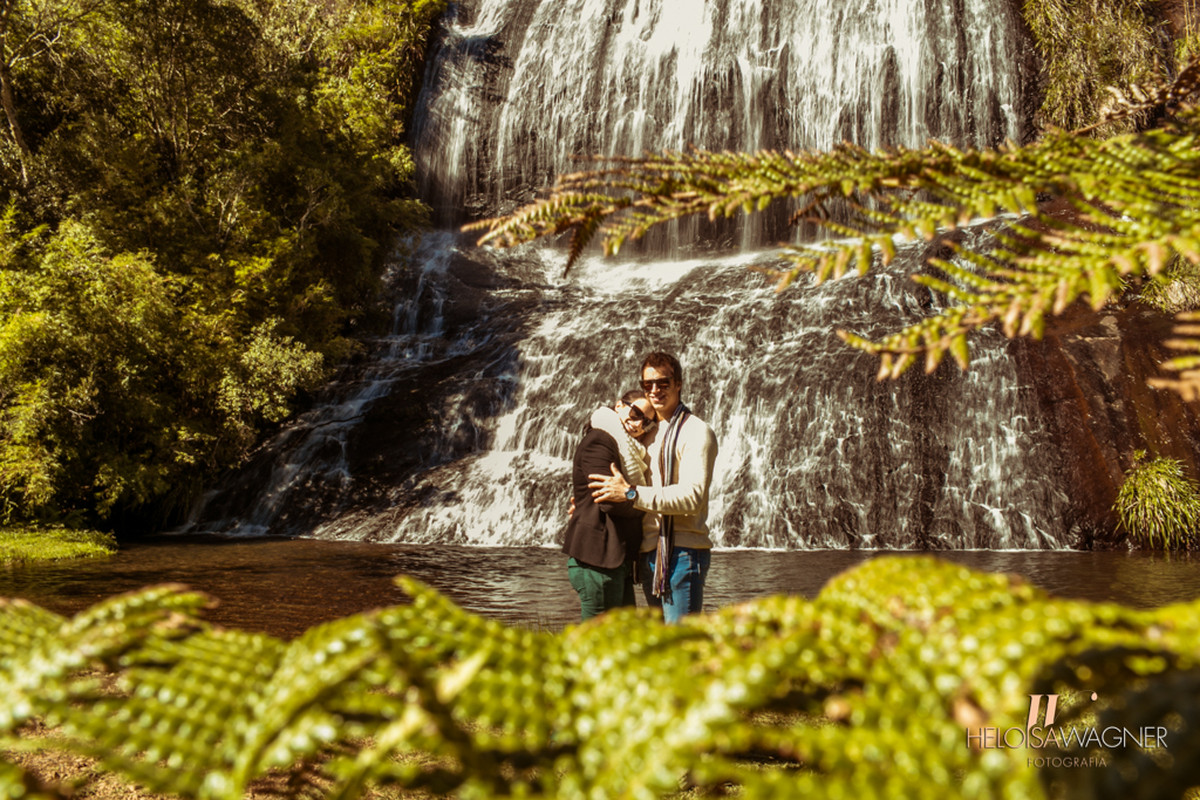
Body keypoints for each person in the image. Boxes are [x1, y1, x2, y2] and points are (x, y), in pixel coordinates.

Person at [589, 352, 719, 623]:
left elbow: (691, 497)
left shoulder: (696, 431)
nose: (655, 390)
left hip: (683, 552)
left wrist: (631, 493)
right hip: (648, 553)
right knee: (660, 647)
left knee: (680, 645)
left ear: (679, 383)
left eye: (663, 383)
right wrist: (584, 503)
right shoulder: (645, 431)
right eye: (648, 384)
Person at [562, 390, 657, 620]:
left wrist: (630, 496)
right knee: (596, 644)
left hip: (615, 559)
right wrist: (647, 503)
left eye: (646, 422)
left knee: (621, 640)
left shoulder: (629, 451)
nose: (638, 424)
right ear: (619, 406)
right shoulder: (600, 440)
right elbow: (610, 502)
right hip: (597, 559)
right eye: (635, 413)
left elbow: (620, 497)